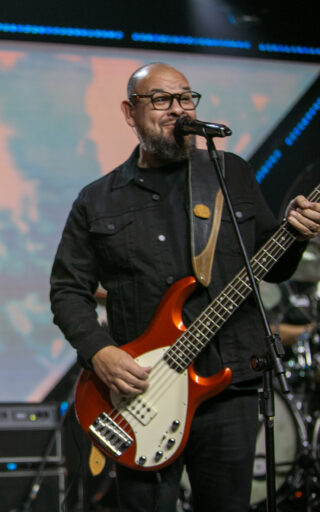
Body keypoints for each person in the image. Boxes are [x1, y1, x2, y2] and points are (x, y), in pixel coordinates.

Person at [49, 62, 320, 511]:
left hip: (227, 385)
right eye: (160, 99)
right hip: (141, 394)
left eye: (185, 98)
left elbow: (273, 267)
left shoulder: (229, 173)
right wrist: (100, 352)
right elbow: (67, 291)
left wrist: (297, 234)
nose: (177, 109)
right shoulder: (98, 199)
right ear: (129, 112)